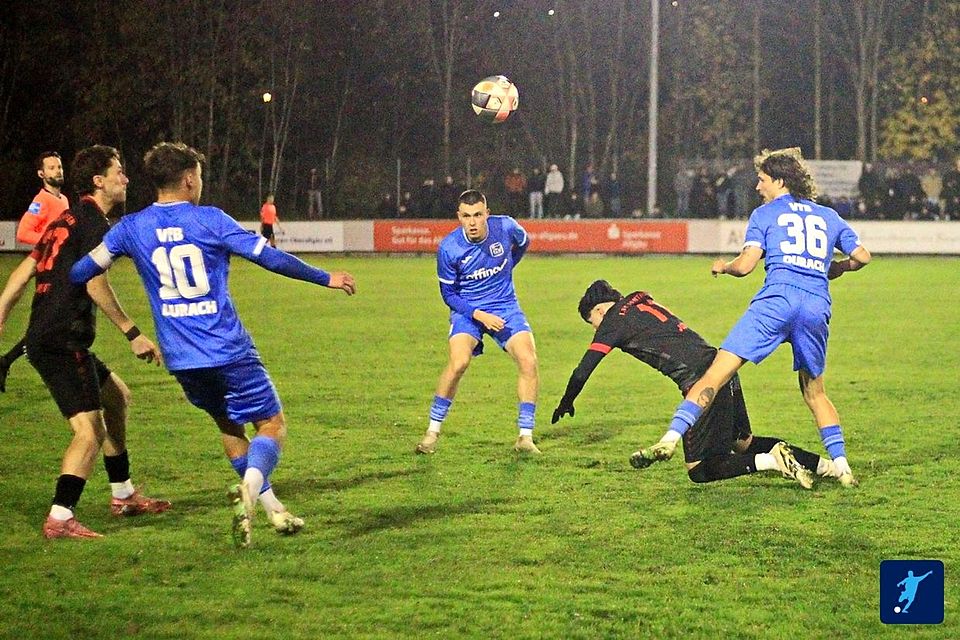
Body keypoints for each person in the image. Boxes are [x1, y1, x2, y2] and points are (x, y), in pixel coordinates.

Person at [71, 142, 357, 548]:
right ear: (189, 179)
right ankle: (250, 491)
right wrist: (325, 277)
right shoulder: (209, 220)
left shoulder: (130, 227)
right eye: (199, 177)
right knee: (271, 425)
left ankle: (273, 509)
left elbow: (83, 269)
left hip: (182, 359)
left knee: (228, 423)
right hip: (228, 350)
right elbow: (270, 258)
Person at [635, 148, 871, 488]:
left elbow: (746, 266)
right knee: (815, 392)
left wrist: (724, 266)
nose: (758, 187)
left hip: (775, 301)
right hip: (816, 306)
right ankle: (843, 469)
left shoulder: (765, 214)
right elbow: (863, 256)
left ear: (779, 180)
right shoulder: (829, 216)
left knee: (715, 374)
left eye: (761, 180)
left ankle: (670, 438)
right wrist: (836, 268)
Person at [0, 145, 169, 539]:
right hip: (61, 341)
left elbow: (24, 272)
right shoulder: (93, 224)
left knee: (116, 398)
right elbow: (94, 282)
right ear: (99, 181)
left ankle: (123, 494)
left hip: (50, 337)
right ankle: (60, 517)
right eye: (119, 172)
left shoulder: (66, 220)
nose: (125, 179)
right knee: (89, 432)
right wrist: (133, 333)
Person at [553, 280, 854, 489]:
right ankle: (827, 467)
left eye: (591, 320)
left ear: (600, 310)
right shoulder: (640, 300)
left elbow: (583, 370)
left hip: (701, 382)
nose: (595, 328)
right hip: (722, 365)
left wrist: (567, 399)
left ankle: (772, 461)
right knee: (741, 442)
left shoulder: (611, 321)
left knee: (699, 469)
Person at [416, 189, 540, 455]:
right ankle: (432, 432)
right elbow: (448, 295)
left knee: (529, 360)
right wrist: (478, 315)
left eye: (477, 215)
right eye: (466, 216)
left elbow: (524, 242)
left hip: (505, 306)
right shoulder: (449, 248)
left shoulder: (505, 226)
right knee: (459, 362)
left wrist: (507, 268)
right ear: (458, 217)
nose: (472, 222)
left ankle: (525, 437)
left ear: (487, 214)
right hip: (467, 310)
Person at [0, 152, 72, 392]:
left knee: (53, 324)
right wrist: (50, 241)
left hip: (61, 268)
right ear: (41, 174)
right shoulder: (42, 201)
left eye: (59, 166)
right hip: (49, 271)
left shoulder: (63, 199)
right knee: (49, 325)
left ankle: (7, 360)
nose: (57, 171)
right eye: (51, 168)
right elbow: (23, 233)